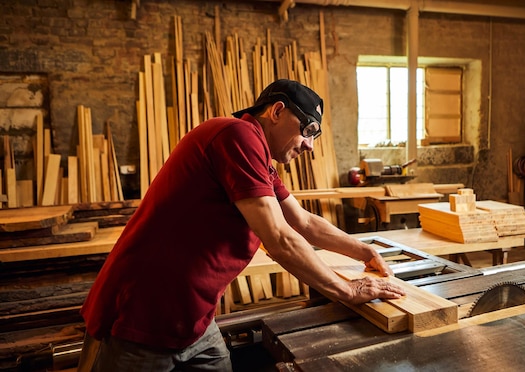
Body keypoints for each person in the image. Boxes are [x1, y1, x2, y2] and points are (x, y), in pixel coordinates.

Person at [77, 79, 406, 371]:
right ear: (277, 112)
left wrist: (364, 252)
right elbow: (279, 238)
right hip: (145, 313)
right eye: (308, 131)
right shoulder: (238, 136)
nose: (309, 146)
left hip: (194, 316)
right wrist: (347, 290)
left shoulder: (260, 158)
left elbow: (303, 222)